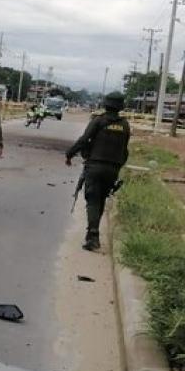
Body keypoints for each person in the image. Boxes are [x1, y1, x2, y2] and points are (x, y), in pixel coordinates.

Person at [66, 90, 130, 251]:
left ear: (106, 103)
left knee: (93, 200)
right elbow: (125, 150)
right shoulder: (125, 125)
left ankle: (93, 236)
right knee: (100, 200)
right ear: (121, 106)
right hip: (113, 169)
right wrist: (117, 166)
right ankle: (93, 233)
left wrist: (69, 154)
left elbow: (84, 139)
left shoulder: (98, 121)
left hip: (95, 166)